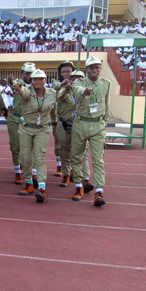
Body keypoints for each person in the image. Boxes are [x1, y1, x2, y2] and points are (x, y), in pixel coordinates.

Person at [70, 56, 110, 207]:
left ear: (100, 69)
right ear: (86, 70)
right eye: (91, 68)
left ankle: (99, 190)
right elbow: (77, 90)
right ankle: (79, 186)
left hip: (98, 125)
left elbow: (107, 103)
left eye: (97, 67)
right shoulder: (79, 82)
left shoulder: (106, 83)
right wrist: (84, 92)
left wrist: (104, 122)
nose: (94, 70)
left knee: (98, 159)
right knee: (77, 156)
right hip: (80, 123)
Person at [14, 69, 57, 203]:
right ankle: (28, 183)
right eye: (35, 79)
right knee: (26, 157)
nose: (38, 81)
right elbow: (23, 93)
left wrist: (54, 119)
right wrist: (19, 89)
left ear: (45, 80)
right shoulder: (27, 91)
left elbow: (54, 108)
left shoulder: (52, 93)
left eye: (41, 79)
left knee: (40, 157)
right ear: (31, 81)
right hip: (26, 128)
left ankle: (42, 187)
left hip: (42, 129)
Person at [56, 70, 91, 188]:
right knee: (64, 152)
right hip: (65, 125)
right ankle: (66, 175)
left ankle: (85, 178)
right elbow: (59, 97)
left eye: (79, 78)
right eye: (73, 78)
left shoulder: (88, 91)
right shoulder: (66, 90)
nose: (76, 80)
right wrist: (66, 89)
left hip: (81, 126)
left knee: (82, 153)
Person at [8, 62, 36, 185]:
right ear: (22, 74)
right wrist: (11, 82)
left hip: (30, 120)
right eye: (26, 73)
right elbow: (15, 85)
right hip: (15, 118)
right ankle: (17, 171)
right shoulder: (18, 83)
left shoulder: (38, 85)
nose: (29, 76)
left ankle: (33, 171)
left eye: (31, 73)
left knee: (31, 147)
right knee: (15, 146)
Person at [51, 61, 76, 177]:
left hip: (75, 121)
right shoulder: (57, 83)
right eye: (63, 72)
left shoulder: (78, 84)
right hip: (58, 118)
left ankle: (72, 170)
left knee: (75, 146)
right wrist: (63, 85)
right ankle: (60, 166)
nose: (65, 74)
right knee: (59, 144)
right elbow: (55, 89)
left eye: (68, 72)